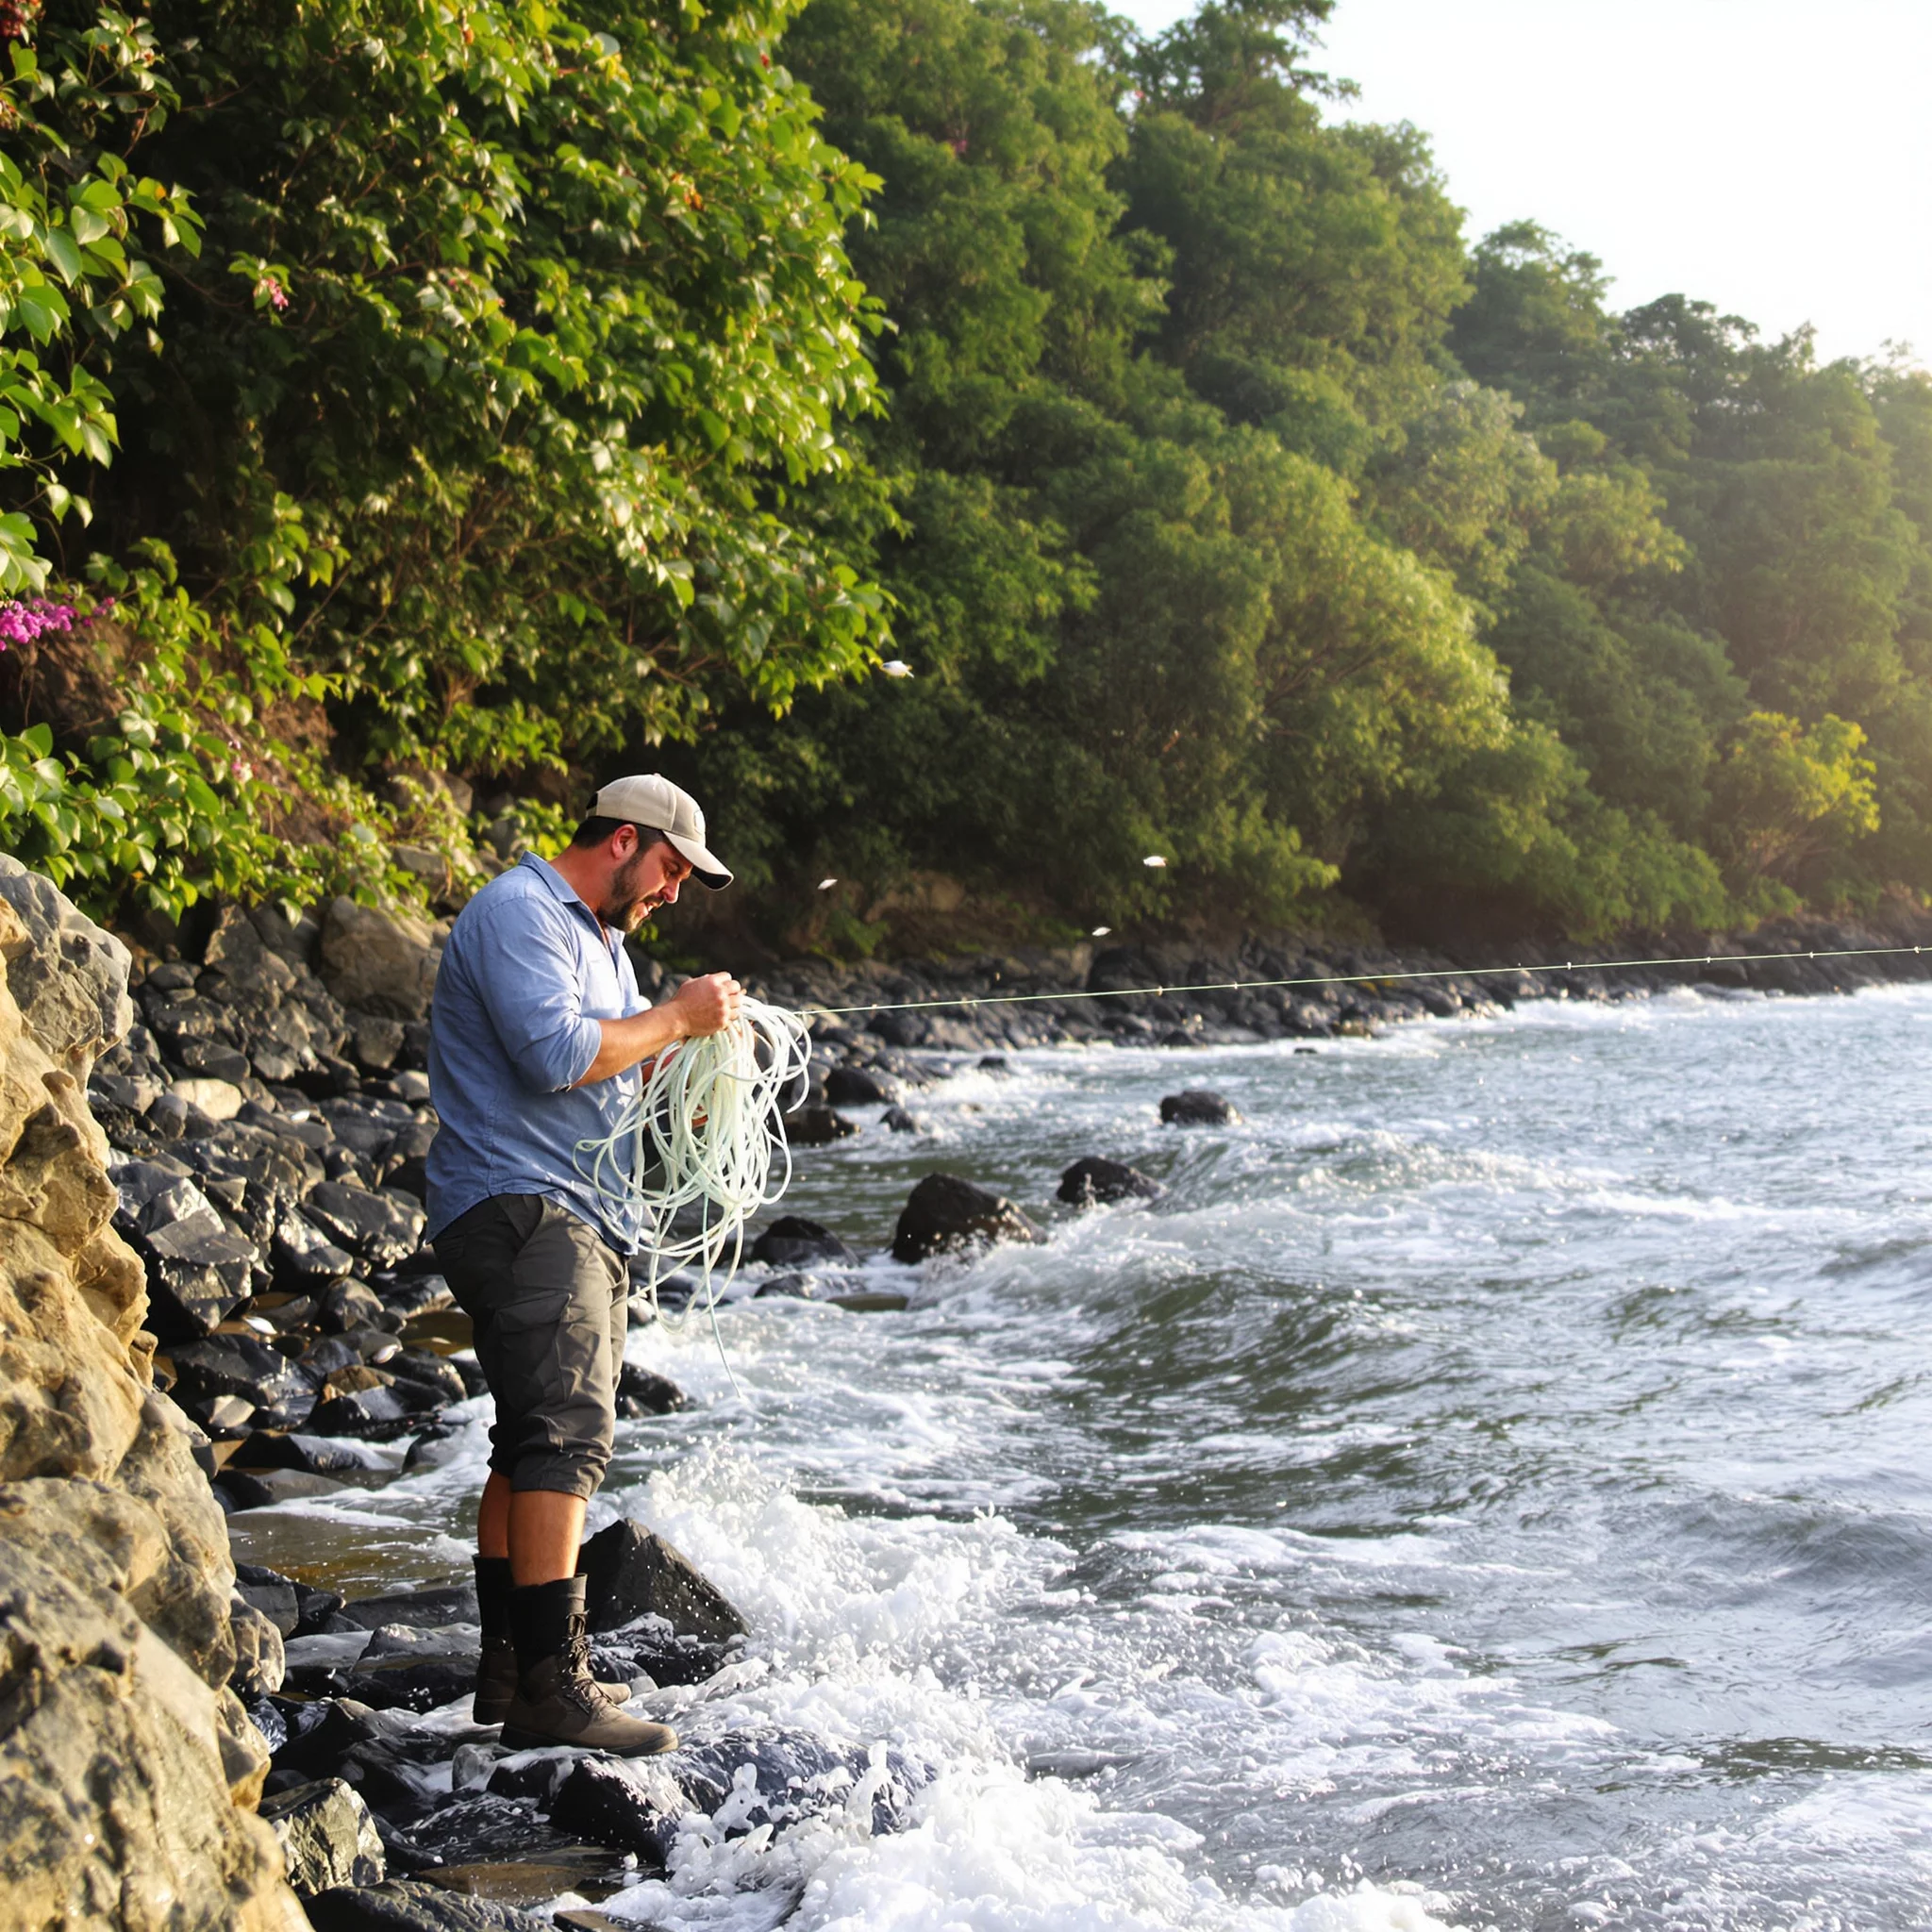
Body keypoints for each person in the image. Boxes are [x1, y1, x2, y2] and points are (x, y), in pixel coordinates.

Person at [425, 774, 742, 1753]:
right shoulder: (523, 910)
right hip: (521, 1205)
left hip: (574, 1209)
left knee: (527, 1438)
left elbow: (609, 1068)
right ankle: (555, 1688)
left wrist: (673, 1081)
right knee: (567, 1433)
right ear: (623, 840)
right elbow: (555, 1055)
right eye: (670, 870)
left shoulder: (603, 946)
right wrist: (678, 1020)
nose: (672, 893)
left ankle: (507, 1670)